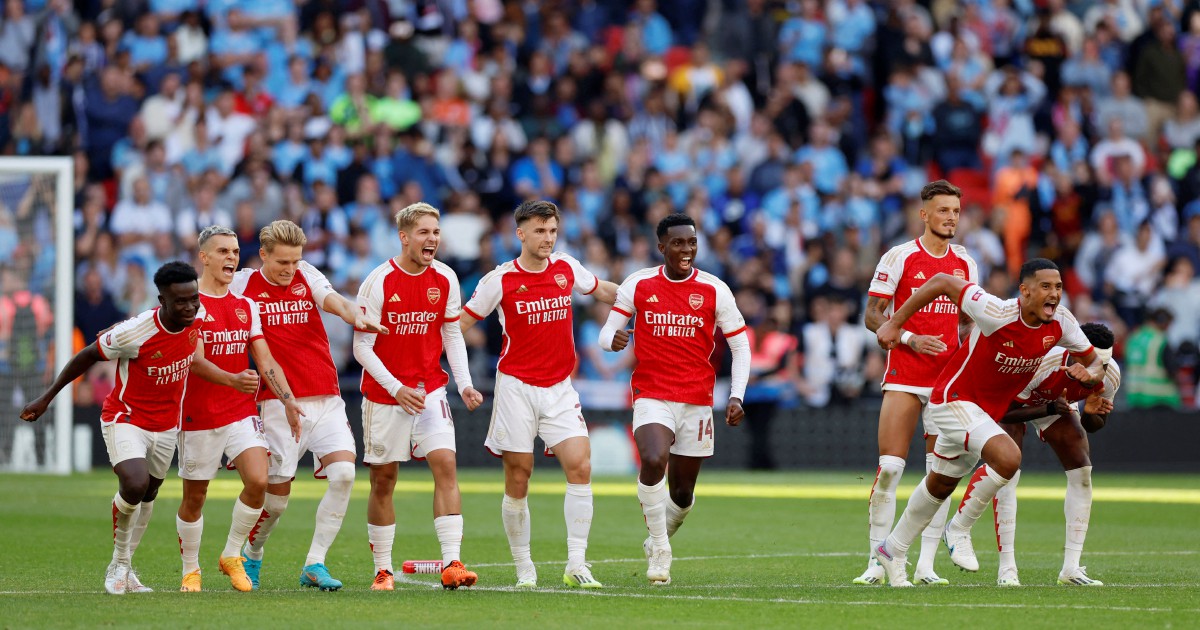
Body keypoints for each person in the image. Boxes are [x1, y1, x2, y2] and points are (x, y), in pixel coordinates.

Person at [871, 258, 1103, 587]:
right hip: (953, 401)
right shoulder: (994, 311)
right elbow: (940, 280)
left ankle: (891, 549)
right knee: (1008, 457)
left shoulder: (1063, 323)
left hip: (982, 412)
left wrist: (1089, 375)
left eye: (1058, 288)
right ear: (1024, 291)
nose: (1054, 294)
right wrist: (895, 323)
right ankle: (959, 528)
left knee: (940, 484)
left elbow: (1096, 365)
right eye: (1045, 287)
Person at [20, 261, 207, 594]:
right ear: (162, 300)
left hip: (166, 426)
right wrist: (46, 398)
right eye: (181, 301)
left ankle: (127, 568)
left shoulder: (198, 318)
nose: (190, 306)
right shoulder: (136, 332)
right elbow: (87, 355)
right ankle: (118, 564)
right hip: (126, 417)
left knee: (149, 493)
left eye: (194, 298)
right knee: (135, 484)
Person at [459, 200, 618, 589]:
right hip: (515, 388)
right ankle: (524, 568)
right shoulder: (499, 279)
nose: (547, 238)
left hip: (560, 387)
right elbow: (459, 323)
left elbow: (603, 291)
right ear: (521, 234)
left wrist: (648, 295)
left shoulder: (566, 267)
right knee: (520, 475)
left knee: (580, 465)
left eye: (552, 230)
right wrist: (455, 373)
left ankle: (576, 564)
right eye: (539, 231)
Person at [228, 220, 387, 591]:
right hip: (277, 403)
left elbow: (334, 301)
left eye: (296, 261)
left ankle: (315, 563)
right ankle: (252, 556)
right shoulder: (243, 285)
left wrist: (355, 315)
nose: (289, 269)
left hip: (326, 396)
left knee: (345, 475)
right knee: (277, 499)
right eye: (282, 261)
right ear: (263, 255)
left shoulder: (307, 274)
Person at [598, 213, 751, 585]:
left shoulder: (715, 289)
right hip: (652, 393)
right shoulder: (639, 283)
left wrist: (736, 395)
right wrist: (613, 341)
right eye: (679, 243)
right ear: (661, 246)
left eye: (692, 243)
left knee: (682, 494)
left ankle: (659, 536)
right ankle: (660, 549)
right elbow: (607, 333)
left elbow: (741, 346)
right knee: (653, 459)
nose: (687, 250)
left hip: (697, 398)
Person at [352, 203, 484, 591]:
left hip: (429, 390)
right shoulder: (378, 282)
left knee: (446, 465)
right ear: (404, 237)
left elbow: (452, 334)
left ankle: (452, 563)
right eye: (424, 233)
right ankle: (383, 570)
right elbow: (362, 347)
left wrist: (464, 383)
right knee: (384, 480)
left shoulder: (445, 277)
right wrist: (396, 388)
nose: (432, 240)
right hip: (385, 395)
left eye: (436, 232)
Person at [855, 180, 979, 586]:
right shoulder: (900, 256)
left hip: (947, 383)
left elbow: (968, 319)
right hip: (905, 374)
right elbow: (875, 315)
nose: (951, 218)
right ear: (923, 214)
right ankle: (876, 561)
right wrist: (909, 338)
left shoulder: (964, 262)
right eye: (943, 210)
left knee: (938, 474)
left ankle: (925, 564)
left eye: (956, 211)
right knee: (890, 467)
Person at [175, 226, 305, 592]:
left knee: (259, 481)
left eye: (234, 252)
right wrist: (233, 379)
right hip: (198, 414)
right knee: (194, 497)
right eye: (222, 252)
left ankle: (232, 553)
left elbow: (265, 360)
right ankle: (190, 569)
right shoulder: (190, 304)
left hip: (239, 410)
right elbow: (195, 361)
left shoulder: (246, 306)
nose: (231, 257)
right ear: (204, 257)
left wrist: (287, 399)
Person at [965, 322, 1121, 586]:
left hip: (1052, 404)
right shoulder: (1043, 362)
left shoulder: (1110, 375)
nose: (1098, 373)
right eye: (1092, 365)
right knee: (1007, 469)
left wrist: (1091, 414)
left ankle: (1071, 569)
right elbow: (1002, 412)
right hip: (1010, 397)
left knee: (1082, 470)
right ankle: (1007, 569)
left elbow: (1092, 426)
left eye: (1102, 366)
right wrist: (1049, 409)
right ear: (1074, 352)